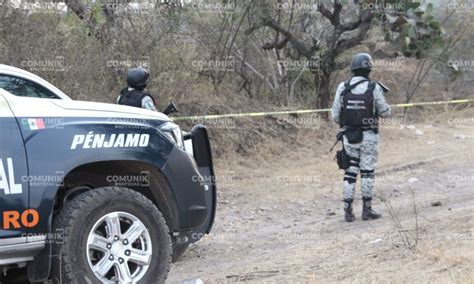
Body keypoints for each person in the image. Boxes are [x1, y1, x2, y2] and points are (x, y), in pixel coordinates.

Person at [331, 53, 391, 222]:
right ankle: (367, 210)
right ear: (368, 68)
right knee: (367, 172)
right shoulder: (374, 88)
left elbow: (335, 116)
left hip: (349, 137)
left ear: (353, 69)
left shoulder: (343, 87)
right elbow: (385, 112)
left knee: (350, 173)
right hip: (369, 137)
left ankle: (348, 212)